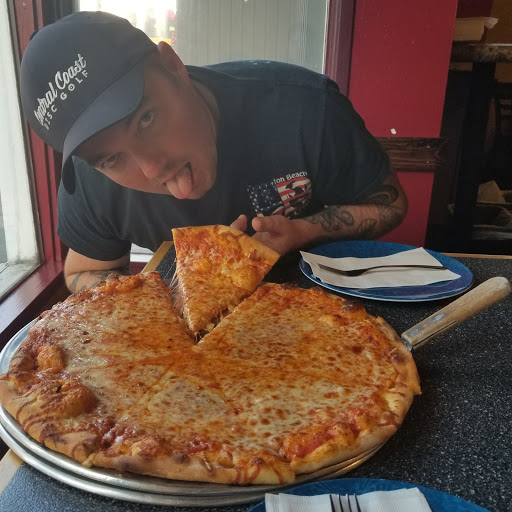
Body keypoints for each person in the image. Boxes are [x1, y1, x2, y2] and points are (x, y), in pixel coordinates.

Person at [20, 11, 407, 293]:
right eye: (110, 159)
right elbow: (81, 271)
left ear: (173, 66)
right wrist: (157, 299)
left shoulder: (306, 110)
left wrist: (305, 230)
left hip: (324, 325)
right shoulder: (90, 175)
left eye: (146, 119)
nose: (152, 168)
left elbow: (390, 205)